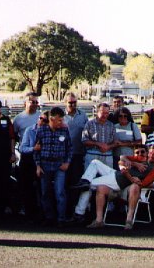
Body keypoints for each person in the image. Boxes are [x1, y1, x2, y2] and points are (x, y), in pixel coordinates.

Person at [79, 146, 154, 230]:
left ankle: (78, 212)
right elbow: (121, 159)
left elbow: (144, 183)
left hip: (121, 184)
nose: (151, 156)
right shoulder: (140, 159)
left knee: (88, 185)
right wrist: (133, 163)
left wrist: (131, 178)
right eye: (150, 153)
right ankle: (98, 220)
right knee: (96, 179)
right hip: (117, 177)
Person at [34, 107, 73, 227]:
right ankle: (49, 217)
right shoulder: (41, 131)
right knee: (45, 192)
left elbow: (69, 148)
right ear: (51, 119)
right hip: (45, 164)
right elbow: (36, 150)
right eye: (59, 120)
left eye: (62, 120)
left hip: (59, 165)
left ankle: (61, 218)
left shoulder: (64, 131)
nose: (61, 123)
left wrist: (67, 163)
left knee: (60, 191)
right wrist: (38, 165)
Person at [14, 92, 41, 217]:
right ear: (25, 103)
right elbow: (13, 138)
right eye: (32, 101)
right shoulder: (18, 119)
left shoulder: (40, 117)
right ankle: (24, 208)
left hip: (39, 155)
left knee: (38, 183)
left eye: (36, 102)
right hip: (25, 155)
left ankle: (38, 209)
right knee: (25, 183)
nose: (35, 104)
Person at [63, 92, 89, 220]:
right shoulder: (61, 116)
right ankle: (65, 211)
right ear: (65, 103)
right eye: (70, 103)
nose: (72, 105)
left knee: (76, 183)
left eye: (74, 102)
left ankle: (76, 211)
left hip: (78, 154)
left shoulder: (83, 115)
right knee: (65, 183)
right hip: (64, 155)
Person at [81, 102, 116, 172]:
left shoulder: (111, 125)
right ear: (97, 112)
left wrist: (108, 146)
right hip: (92, 155)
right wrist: (98, 144)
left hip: (107, 156)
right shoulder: (89, 124)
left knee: (107, 180)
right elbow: (84, 140)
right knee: (89, 179)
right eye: (102, 113)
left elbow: (115, 142)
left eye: (107, 113)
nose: (105, 115)